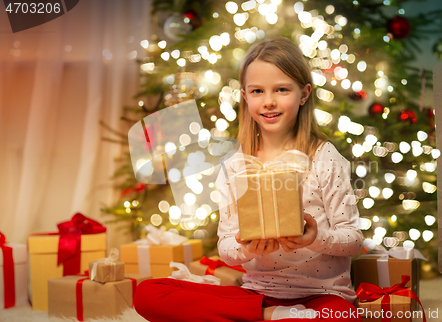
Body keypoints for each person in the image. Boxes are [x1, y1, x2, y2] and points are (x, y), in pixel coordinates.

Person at [134, 37, 364, 322]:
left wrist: (315, 238)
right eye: (257, 91)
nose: (268, 102)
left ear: (304, 94)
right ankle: (272, 316)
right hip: (258, 295)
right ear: (244, 96)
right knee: (148, 293)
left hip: (322, 297)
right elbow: (227, 248)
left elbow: (353, 240)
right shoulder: (235, 164)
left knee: (341, 317)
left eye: (282, 89)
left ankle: (262, 317)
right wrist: (245, 248)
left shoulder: (323, 157)